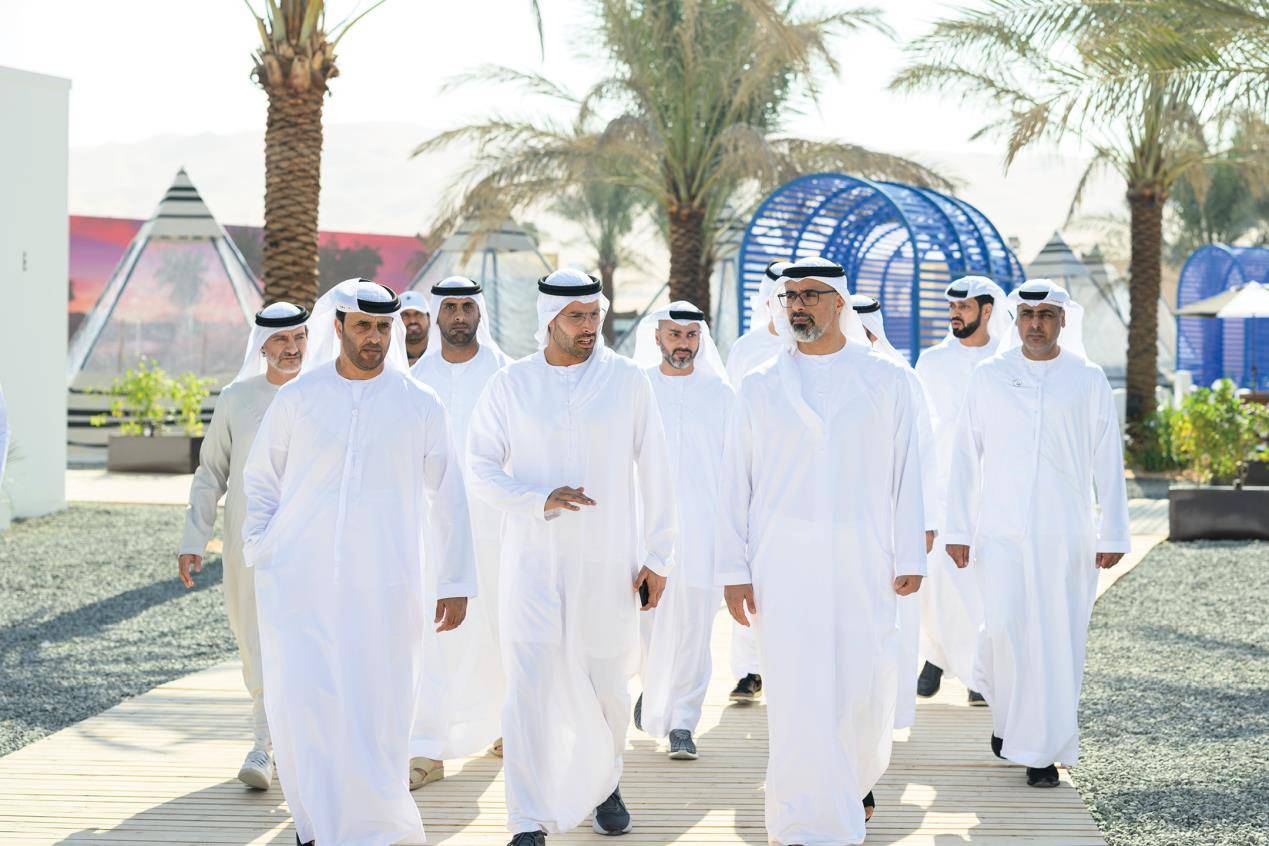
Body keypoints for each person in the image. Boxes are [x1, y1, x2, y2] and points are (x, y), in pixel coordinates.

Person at [242, 278, 477, 846]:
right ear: (339, 326)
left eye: (383, 327)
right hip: (300, 580)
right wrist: (262, 546)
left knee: (380, 704)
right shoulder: (300, 397)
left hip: (388, 582)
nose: (375, 337)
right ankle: (315, 824)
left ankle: (377, 825)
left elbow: (449, 495)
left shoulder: (419, 402)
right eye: (364, 326)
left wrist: (454, 580)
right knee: (307, 702)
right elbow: (261, 478)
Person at [717, 255, 926, 844]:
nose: (798, 306)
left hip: (866, 559)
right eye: (791, 296)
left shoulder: (886, 379)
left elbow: (907, 472)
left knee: (865, 688)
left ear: (839, 302)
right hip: (781, 565)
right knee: (796, 693)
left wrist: (910, 555)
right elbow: (735, 483)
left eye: (811, 295)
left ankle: (850, 788)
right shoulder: (759, 385)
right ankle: (800, 822)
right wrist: (733, 569)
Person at [466, 268, 676, 846]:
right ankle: (527, 817)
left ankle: (606, 784)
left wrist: (659, 556)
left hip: (608, 563)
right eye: (577, 316)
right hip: (532, 563)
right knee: (529, 687)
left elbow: (657, 470)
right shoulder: (511, 385)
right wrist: (537, 499)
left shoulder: (627, 381)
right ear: (548, 320)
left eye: (595, 315)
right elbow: (479, 467)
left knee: (607, 684)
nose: (589, 326)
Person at [943, 278, 1129, 789]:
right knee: (1003, 630)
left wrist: (1113, 531)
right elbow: (965, 455)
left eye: (1046, 315)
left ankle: (1042, 752)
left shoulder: (1087, 379)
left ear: (1063, 320)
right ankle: (1008, 722)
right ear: (1016, 320)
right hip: (998, 530)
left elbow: (1107, 458)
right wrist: (958, 526)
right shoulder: (990, 376)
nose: (1036, 325)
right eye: (1027, 316)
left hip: (1065, 532)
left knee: (1055, 638)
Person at [176, 301, 308, 789]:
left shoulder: (324, 392)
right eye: (281, 340)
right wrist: (194, 538)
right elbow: (211, 471)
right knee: (254, 638)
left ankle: (292, 747)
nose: (292, 348)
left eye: (299, 338)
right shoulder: (237, 398)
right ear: (262, 346)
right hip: (248, 542)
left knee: (308, 641)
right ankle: (263, 745)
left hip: (311, 543)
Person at [408, 276, 511, 788]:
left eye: (467, 307)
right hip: (432, 533)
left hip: (497, 529)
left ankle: (506, 727)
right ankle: (427, 748)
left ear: (479, 314)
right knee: (433, 637)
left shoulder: (506, 375)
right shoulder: (413, 379)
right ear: (436, 316)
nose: (459, 317)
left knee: (499, 629)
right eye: (449, 308)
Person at [631, 300, 734, 761]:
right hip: (643, 532)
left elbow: (735, 470)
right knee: (646, 624)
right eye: (674, 335)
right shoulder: (638, 388)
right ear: (657, 337)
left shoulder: (721, 395)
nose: (683, 344)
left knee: (694, 630)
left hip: (703, 533)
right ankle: (653, 690)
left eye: (691, 336)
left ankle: (683, 722)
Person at [913, 276, 1010, 703]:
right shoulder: (931, 362)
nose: (955, 314)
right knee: (938, 582)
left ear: (987, 311)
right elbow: (919, 427)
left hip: (992, 489)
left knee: (980, 583)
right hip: (941, 487)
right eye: (952, 307)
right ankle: (935, 655)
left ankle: (977, 673)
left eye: (964, 307)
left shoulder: (1007, 360)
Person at [850, 294, 940, 731]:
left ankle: (892, 712)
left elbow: (925, 456)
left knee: (897, 625)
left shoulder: (901, 378)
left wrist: (926, 525)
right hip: (848, 526)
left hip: (896, 524)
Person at [722, 259, 788, 704]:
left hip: (797, 479)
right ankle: (748, 670)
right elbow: (732, 414)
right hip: (753, 474)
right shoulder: (747, 349)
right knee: (747, 572)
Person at [401, 289, 432, 365]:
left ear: (429, 318)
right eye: (405, 315)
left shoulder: (445, 353)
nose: (412, 320)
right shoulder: (388, 358)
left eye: (418, 314)